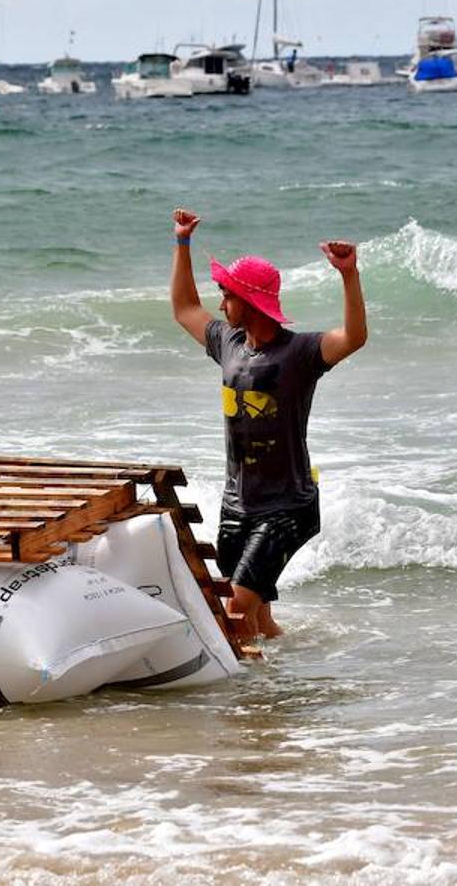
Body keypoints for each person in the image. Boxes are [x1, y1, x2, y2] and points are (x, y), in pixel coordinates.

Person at [168, 208, 367, 647]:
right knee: (257, 622)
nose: (220, 303)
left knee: (234, 613)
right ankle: (283, 688)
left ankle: (244, 711)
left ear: (250, 300)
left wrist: (349, 276)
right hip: (238, 504)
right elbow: (184, 308)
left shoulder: (300, 353)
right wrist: (181, 244)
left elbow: (353, 337)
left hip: (286, 507)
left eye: (226, 294)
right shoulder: (229, 343)